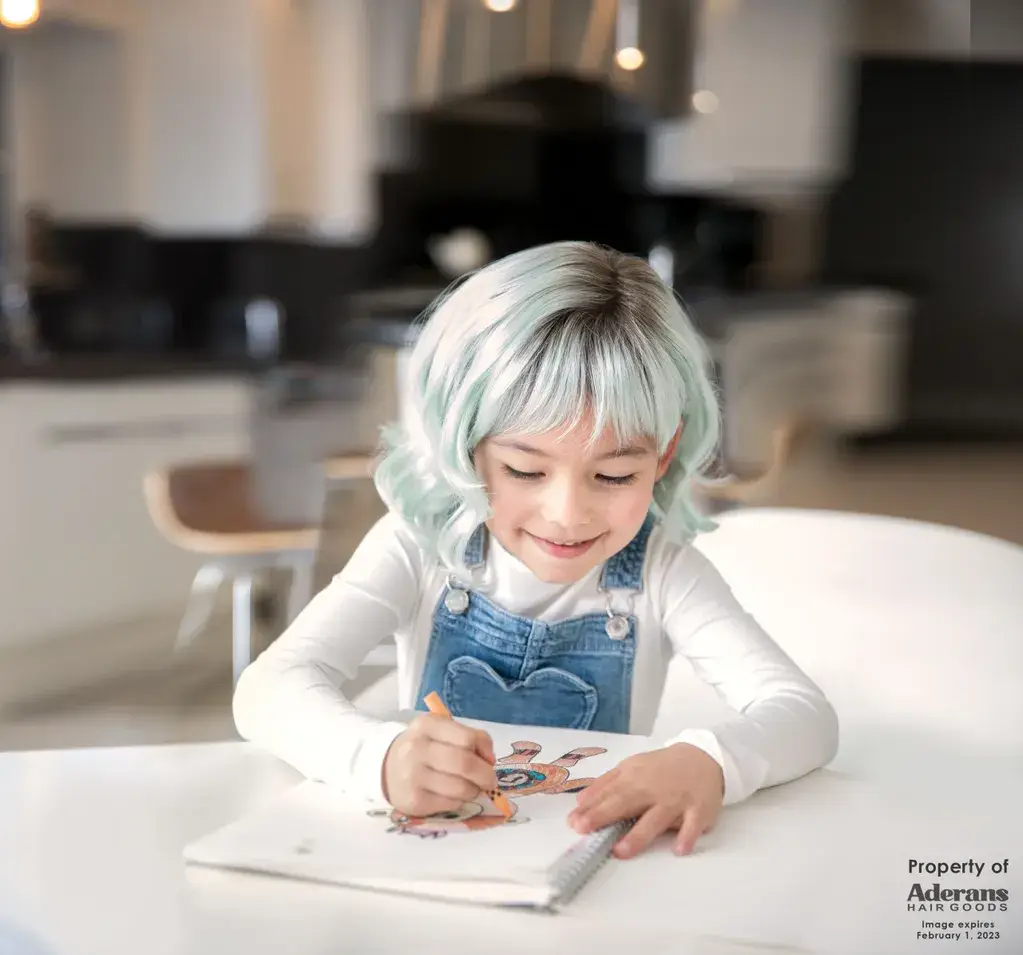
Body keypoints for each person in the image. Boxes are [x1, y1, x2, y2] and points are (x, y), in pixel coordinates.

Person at [233, 241, 839, 859]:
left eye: (613, 476)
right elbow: (268, 688)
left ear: (663, 454)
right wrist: (378, 758)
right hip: (429, 856)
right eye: (525, 470)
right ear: (463, 445)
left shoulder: (662, 572)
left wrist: (709, 762)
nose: (568, 514)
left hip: (588, 864)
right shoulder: (419, 546)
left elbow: (803, 714)